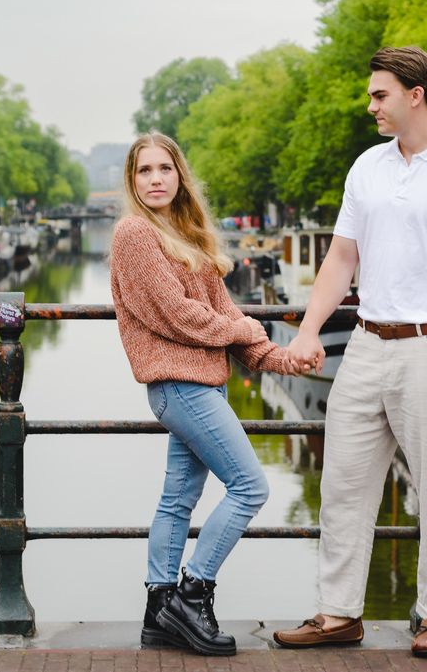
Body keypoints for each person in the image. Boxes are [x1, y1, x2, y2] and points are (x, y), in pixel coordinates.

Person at [272, 46, 427, 657]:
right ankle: (338, 613)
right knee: (344, 485)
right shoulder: (367, 168)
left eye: (379, 94)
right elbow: (341, 257)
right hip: (366, 344)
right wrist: (305, 329)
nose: (370, 104)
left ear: (415, 95)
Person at [110, 132, 301, 657]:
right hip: (179, 385)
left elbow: (229, 316)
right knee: (250, 487)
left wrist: (279, 358)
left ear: (179, 175)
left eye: (164, 169)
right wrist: (244, 334)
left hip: (200, 384)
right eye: (144, 171)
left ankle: (159, 610)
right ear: (132, 180)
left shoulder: (187, 235)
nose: (155, 180)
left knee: (177, 501)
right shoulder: (133, 235)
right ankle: (193, 595)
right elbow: (180, 316)